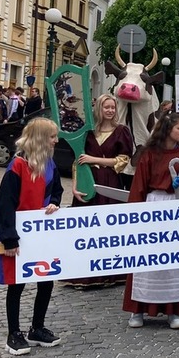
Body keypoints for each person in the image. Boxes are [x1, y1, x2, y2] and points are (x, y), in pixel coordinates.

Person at [0, 117, 64, 355]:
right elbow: (4, 204)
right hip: (19, 234)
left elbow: (57, 190)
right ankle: (14, 333)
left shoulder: (49, 163)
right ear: (41, 139)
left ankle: (37, 328)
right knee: (17, 284)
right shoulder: (17, 166)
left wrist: (54, 203)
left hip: (42, 233)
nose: (56, 140)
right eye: (52, 136)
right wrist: (9, 239)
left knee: (46, 280)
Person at [123, 112, 179, 329]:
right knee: (147, 259)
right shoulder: (150, 153)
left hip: (176, 207)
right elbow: (139, 185)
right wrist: (135, 215)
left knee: (174, 260)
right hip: (153, 206)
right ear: (167, 129)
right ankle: (138, 310)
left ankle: (173, 311)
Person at [64, 93, 134, 287]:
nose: (110, 110)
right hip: (88, 181)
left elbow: (122, 161)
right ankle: (84, 273)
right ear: (99, 109)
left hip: (110, 183)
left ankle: (110, 273)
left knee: (108, 229)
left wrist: (94, 159)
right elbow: (78, 161)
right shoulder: (87, 132)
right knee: (87, 229)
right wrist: (75, 186)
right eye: (106, 107)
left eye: (113, 107)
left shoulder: (122, 131)